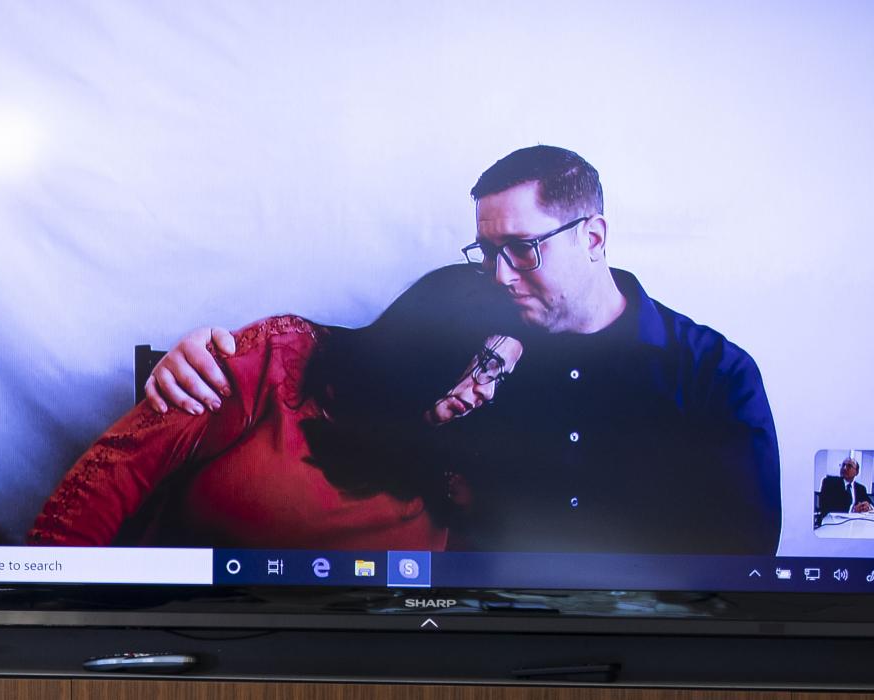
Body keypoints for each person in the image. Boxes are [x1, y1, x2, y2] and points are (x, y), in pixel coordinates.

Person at [144, 146, 781, 557]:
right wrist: (216, 355)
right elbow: (367, 363)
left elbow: (742, 566)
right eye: (488, 253)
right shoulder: (483, 332)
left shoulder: (714, 377)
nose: (502, 277)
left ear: (593, 238)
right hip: (456, 641)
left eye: (524, 250)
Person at [30, 265, 523, 550]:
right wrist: (57, 608)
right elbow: (120, 469)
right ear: (432, 346)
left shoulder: (469, 448)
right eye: (485, 363)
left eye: (503, 376)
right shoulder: (280, 356)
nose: (489, 391)